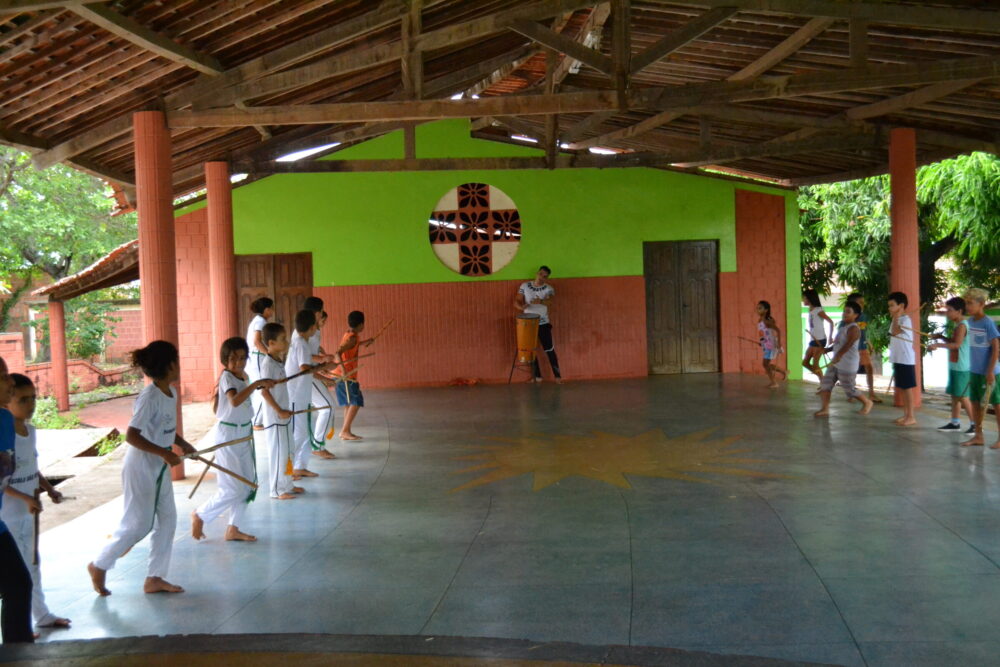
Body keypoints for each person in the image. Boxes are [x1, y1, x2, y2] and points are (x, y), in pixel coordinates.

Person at [88, 341, 196, 597]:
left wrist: (182, 444)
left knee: (168, 520)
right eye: (177, 361)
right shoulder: (150, 396)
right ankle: (100, 564)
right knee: (139, 524)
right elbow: (132, 436)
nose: (179, 366)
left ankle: (155, 577)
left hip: (158, 466)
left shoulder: (170, 391)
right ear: (169, 365)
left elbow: (166, 429)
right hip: (141, 466)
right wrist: (164, 453)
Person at [0, 374, 70, 632]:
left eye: (34, 399)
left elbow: (32, 467)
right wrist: (25, 497)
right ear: (8, 401)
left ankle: (41, 616)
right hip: (9, 515)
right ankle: (21, 627)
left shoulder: (30, 432)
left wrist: (48, 489)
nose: (31, 405)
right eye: (23, 399)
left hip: (29, 511)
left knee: (32, 564)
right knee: (16, 574)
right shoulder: (6, 433)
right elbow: (3, 482)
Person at [192, 338, 274, 543]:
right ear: (224, 360)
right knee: (233, 488)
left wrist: (261, 383)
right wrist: (257, 383)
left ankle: (233, 528)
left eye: (242, 358)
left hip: (243, 434)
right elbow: (235, 401)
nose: (238, 362)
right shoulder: (227, 377)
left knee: (247, 486)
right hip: (228, 436)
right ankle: (201, 514)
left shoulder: (243, 376)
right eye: (233, 358)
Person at [0, 356, 33, 643]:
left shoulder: (4, 421)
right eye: (2, 376)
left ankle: (18, 654)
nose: (10, 382)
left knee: (19, 585)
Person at [257, 323, 302, 499]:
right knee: (277, 454)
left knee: (288, 451)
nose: (286, 342)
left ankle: (287, 484)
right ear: (271, 342)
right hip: (275, 417)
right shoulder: (267, 364)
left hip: (284, 413)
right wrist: (278, 410)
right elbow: (264, 391)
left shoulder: (278, 361)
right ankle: (276, 490)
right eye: (283, 339)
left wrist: (285, 410)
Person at [814, 301, 874, 417]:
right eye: (844, 311)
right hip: (836, 363)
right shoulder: (843, 327)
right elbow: (839, 344)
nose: (844, 314)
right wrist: (828, 349)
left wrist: (839, 355)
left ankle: (867, 402)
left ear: (855, 315)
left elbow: (849, 344)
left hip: (847, 364)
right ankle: (825, 409)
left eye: (848, 312)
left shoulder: (854, 329)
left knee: (849, 389)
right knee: (826, 385)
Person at [928, 297, 975, 434]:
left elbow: (956, 345)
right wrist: (941, 338)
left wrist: (938, 345)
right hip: (956, 364)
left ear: (959, 311)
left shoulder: (962, 325)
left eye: (949, 310)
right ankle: (955, 422)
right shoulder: (959, 325)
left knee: (962, 396)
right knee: (955, 395)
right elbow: (953, 342)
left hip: (962, 366)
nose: (947, 313)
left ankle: (975, 425)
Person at [960, 288, 1000, 448]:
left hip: (991, 372)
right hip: (974, 371)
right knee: (975, 403)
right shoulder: (969, 322)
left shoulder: (987, 322)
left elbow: (996, 348)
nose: (967, 306)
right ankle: (978, 436)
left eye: (970, 303)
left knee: (997, 405)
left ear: (981, 304)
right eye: (966, 303)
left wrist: (990, 371)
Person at [285, 309, 322, 479]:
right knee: (299, 434)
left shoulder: (303, 342)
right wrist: (322, 368)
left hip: (302, 395)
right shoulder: (299, 343)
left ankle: (300, 466)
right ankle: (288, 468)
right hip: (295, 396)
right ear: (311, 327)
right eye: (315, 323)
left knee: (307, 430)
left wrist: (322, 372)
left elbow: (307, 366)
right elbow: (304, 367)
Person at [515, 266, 562, 383]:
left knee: (549, 350)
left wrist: (540, 301)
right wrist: (521, 307)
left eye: (545, 276)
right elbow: (516, 300)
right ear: (537, 273)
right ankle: (537, 376)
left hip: (543, 323)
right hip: (528, 323)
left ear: (547, 278)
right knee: (530, 350)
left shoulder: (548, 288)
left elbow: (551, 301)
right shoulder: (525, 286)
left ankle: (558, 377)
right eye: (541, 274)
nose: (542, 277)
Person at [334, 311, 372, 441]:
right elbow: (337, 353)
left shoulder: (351, 335)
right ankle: (344, 431)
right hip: (345, 375)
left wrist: (366, 341)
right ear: (361, 324)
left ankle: (346, 431)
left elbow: (352, 346)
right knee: (356, 401)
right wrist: (344, 371)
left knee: (348, 403)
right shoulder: (352, 337)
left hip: (345, 375)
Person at [888, 291, 918, 427]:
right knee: (902, 387)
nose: (889, 309)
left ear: (901, 305)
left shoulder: (905, 320)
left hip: (905, 358)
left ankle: (911, 416)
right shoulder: (897, 319)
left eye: (892, 306)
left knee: (907, 388)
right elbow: (892, 332)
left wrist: (897, 317)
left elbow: (895, 331)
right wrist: (895, 317)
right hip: (898, 357)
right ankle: (906, 414)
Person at [847, 293, 881, 404]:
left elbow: (862, 332)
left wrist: (869, 342)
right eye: (860, 302)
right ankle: (851, 394)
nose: (863, 304)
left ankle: (871, 393)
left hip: (862, 347)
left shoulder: (863, 316)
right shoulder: (848, 316)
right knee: (852, 371)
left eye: (863, 302)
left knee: (869, 368)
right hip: (853, 348)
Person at [246, 297, 274, 427]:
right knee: (261, 388)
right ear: (267, 309)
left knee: (262, 387)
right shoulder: (260, 322)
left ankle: (259, 419)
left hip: (257, 356)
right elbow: (257, 341)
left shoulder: (258, 320)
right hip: (257, 357)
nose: (272, 311)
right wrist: (269, 354)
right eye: (271, 308)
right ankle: (257, 421)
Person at [802, 288, 832, 383]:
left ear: (810, 299)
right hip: (813, 339)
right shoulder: (810, 310)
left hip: (820, 339)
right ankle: (822, 380)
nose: (803, 300)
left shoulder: (818, 310)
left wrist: (830, 337)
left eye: (805, 298)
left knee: (815, 365)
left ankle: (823, 382)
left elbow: (830, 322)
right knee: (805, 363)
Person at [756, 301, 786, 389]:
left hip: (770, 345)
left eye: (760, 308)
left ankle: (774, 382)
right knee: (766, 364)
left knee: (765, 364)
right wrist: (761, 342)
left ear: (766, 310)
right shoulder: (760, 320)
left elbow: (778, 331)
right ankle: (782, 372)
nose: (757, 310)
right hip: (766, 344)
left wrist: (779, 343)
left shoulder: (767, 321)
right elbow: (764, 334)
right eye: (757, 308)